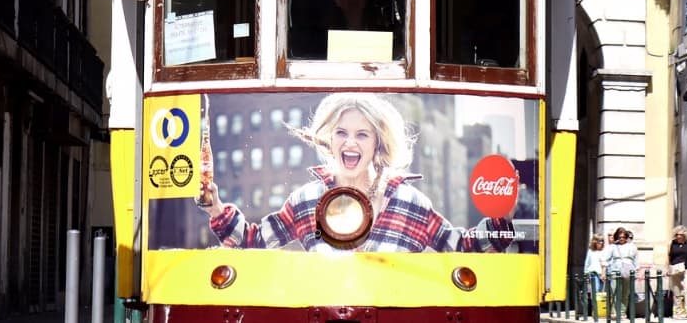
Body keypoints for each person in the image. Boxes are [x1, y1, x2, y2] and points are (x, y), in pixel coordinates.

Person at [198, 92, 515, 252]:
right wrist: (215, 208)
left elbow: (460, 247)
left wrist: (503, 220)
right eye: (341, 132)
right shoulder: (307, 200)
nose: (350, 142)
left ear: (378, 143)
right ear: (329, 139)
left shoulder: (410, 203)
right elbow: (253, 241)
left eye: (362, 134)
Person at [606, 227, 638, 318]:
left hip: (628, 271)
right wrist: (606, 269)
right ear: (617, 237)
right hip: (615, 271)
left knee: (625, 293)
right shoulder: (613, 246)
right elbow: (605, 259)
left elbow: (636, 260)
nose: (621, 239)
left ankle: (622, 312)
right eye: (619, 237)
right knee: (614, 291)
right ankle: (614, 312)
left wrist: (636, 271)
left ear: (626, 237)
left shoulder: (632, 246)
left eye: (623, 237)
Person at [668, 225, 687, 318]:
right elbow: (668, 256)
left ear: (684, 235)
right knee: (677, 291)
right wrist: (667, 268)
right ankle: (678, 312)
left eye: (680, 234)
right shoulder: (671, 243)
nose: (678, 236)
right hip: (675, 268)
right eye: (677, 234)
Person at [583, 233, 607, 315]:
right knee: (595, 291)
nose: (601, 243)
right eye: (599, 241)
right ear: (595, 242)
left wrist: (604, 274)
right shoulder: (590, 251)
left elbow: (604, 264)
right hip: (593, 274)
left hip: (601, 274)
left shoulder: (603, 251)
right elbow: (587, 263)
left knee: (600, 292)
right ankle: (595, 310)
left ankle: (598, 309)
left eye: (602, 241)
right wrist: (585, 274)